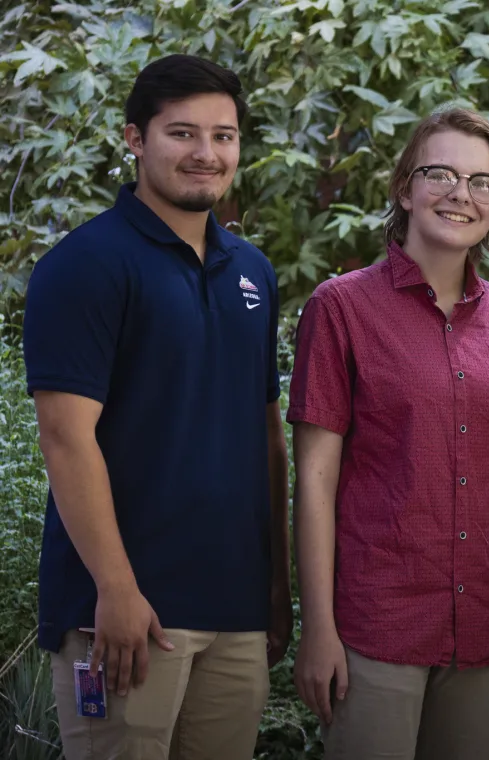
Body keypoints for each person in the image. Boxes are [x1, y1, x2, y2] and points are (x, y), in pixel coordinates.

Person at [22, 54, 292, 760]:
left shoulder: (254, 274)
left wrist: (275, 586)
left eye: (224, 136)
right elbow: (64, 436)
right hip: (124, 613)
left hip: (233, 611)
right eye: (182, 133)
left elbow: (266, 438)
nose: (207, 154)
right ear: (135, 138)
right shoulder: (84, 265)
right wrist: (114, 588)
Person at [288, 107, 489, 760]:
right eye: (440, 174)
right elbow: (315, 482)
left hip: (487, 631)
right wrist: (318, 628)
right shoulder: (341, 308)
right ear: (405, 188)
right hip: (378, 625)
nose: (461, 194)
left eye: (482, 181)